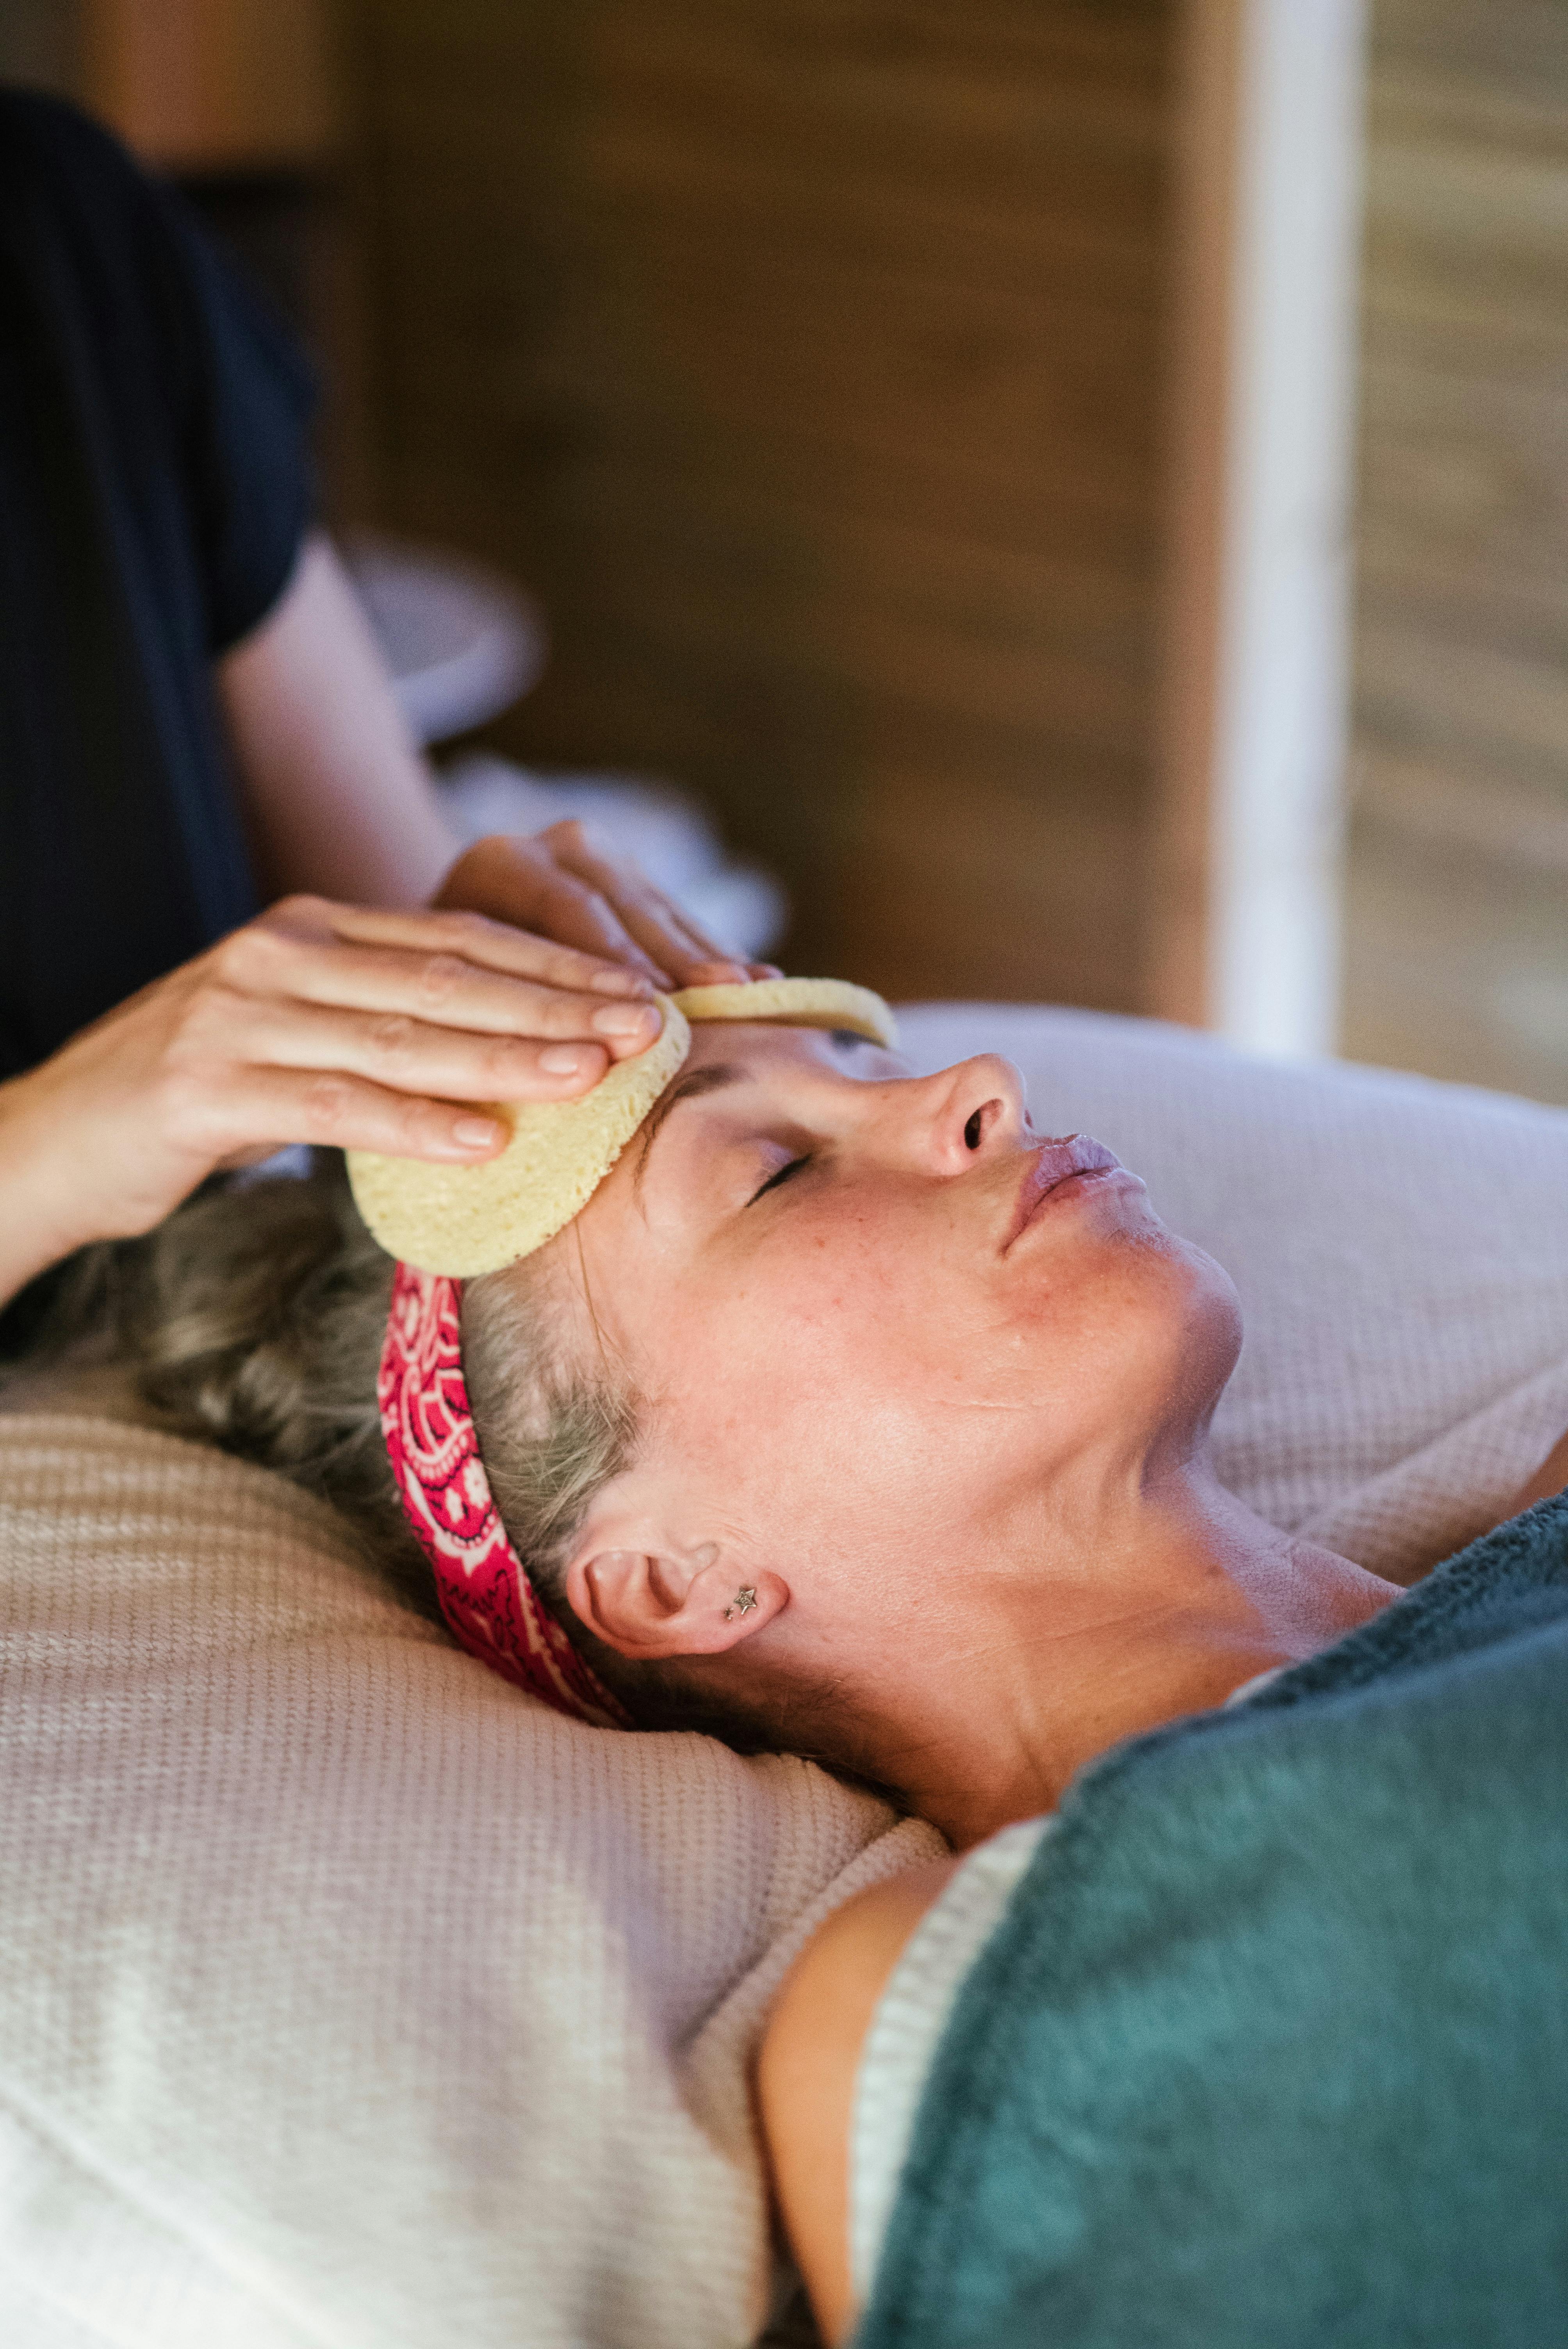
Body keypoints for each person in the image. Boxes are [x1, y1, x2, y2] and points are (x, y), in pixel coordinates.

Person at [7, 1006, 1567, 2341]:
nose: (974, 1084)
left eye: (847, 1059)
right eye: (770, 1170)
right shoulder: (946, 2006)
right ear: (673, 1576)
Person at [0, 86, 761, 1332]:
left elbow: (401, 898)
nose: (986, 1085)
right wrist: (44, 1145)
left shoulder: (54, 224)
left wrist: (494, 967)